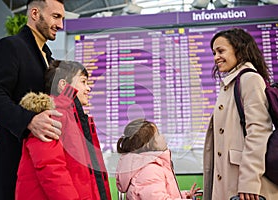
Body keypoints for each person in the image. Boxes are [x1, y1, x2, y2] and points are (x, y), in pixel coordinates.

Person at [0, 0, 65, 199]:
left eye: (62, 18)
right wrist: (28, 120)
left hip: (45, 167)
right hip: (15, 166)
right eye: (56, 16)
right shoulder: (10, 47)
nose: (61, 25)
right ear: (35, 13)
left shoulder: (50, 60)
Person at [16, 60, 112, 200]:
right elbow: (51, 169)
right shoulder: (52, 115)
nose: (88, 88)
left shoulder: (76, 119)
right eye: (83, 82)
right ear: (63, 85)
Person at [203, 27, 278, 200]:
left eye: (221, 51)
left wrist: (249, 181)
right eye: (214, 52)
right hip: (232, 179)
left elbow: (258, 131)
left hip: (244, 186)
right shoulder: (232, 83)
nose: (216, 57)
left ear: (239, 50)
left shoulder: (249, 79)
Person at [116, 118, 201, 200]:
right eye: (158, 134)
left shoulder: (149, 167)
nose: (163, 136)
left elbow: (158, 195)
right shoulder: (150, 170)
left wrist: (184, 196)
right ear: (148, 144)